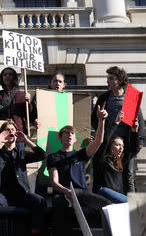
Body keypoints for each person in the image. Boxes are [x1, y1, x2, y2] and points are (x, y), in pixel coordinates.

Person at [47, 104, 112, 236]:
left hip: (82, 194)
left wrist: (101, 121)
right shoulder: (53, 157)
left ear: (75, 138)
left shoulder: (81, 155)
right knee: (57, 204)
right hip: (64, 194)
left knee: (108, 205)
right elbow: (54, 182)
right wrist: (66, 191)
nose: (69, 136)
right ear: (60, 137)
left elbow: (98, 141)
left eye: (72, 134)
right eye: (66, 133)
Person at [0, 120, 46, 236]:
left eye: (13, 130)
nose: (10, 132)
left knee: (40, 201)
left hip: (22, 195)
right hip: (2, 196)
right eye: (7, 130)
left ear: (16, 134)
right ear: (2, 134)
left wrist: (26, 140)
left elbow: (42, 155)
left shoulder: (21, 153)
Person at [91, 66, 145, 194]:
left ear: (120, 80)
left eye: (111, 78)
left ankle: (130, 206)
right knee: (102, 172)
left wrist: (140, 139)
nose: (107, 81)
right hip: (108, 142)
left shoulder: (130, 97)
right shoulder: (104, 97)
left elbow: (140, 120)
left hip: (125, 143)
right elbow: (94, 119)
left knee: (128, 174)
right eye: (107, 78)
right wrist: (101, 131)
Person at [96, 111, 142, 203]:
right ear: (110, 147)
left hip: (117, 200)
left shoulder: (120, 161)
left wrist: (134, 131)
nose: (121, 148)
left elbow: (134, 149)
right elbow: (104, 141)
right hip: (104, 196)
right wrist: (116, 122)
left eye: (122, 146)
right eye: (117, 145)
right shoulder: (102, 160)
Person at [0, 67, 33, 134]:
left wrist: (29, 102)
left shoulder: (22, 95)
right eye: (5, 74)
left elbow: (30, 115)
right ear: (2, 78)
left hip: (18, 133)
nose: (7, 76)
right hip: (0, 132)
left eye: (10, 74)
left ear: (15, 78)